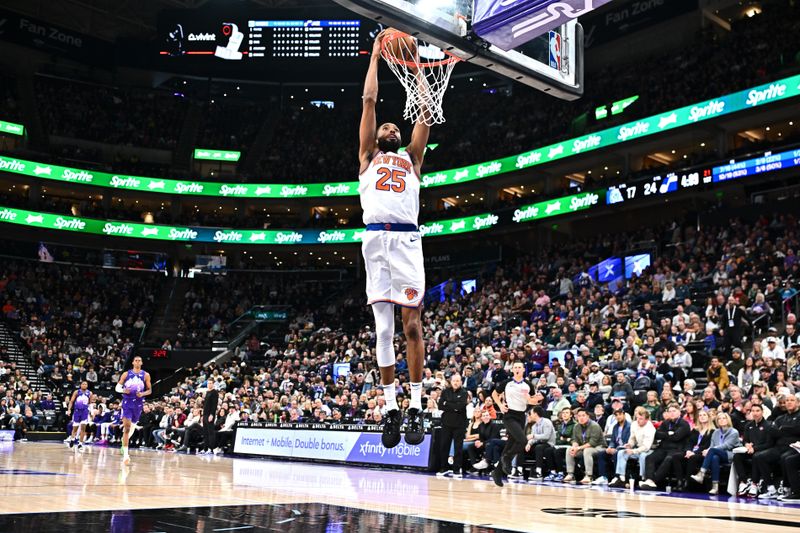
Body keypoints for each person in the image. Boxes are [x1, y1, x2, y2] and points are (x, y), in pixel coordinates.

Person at [359, 29, 430, 449]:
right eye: (383, 125)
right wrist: (374, 56)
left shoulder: (413, 158)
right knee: (383, 331)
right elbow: (369, 101)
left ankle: (417, 407)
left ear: (400, 137)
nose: (388, 125)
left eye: (393, 124)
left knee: (412, 326)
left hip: (405, 242)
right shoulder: (367, 157)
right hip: (374, 243)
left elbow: (424, 108)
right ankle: (390, 409)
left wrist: (418, 65)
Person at [491, 361, 542, 487]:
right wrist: (500, 405)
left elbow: (532, 401)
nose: (518, 369)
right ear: (512, 370)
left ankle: (497, 472)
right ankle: (507, 458)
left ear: (524, 370)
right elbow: (494, 394)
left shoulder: (528, 384)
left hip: (521, 416)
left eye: (520, 367)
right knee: (523, 441)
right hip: (509, 416)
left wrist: (538, 399)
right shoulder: (507, 383)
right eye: (515, 367)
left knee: (510, 444)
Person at [752, 393, 800, 498]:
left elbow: (797, 430)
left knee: (785, 458)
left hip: (794, 447)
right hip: (779, 447)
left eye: (792, 400)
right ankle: (771, 488)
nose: (789, 402)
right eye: (787, 400)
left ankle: (788, 489)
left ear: (798, 403)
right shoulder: (780, 418)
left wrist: (783, 429)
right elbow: (772, 431)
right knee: (759, 456)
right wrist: (787, 430)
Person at [639, 403, 691, 489]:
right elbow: (656, 434)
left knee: (669, 459)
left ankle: (654, 481)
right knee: (649, 457)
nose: (672, 413)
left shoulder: (684, 424)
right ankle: (649, 479)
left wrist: (667, 435)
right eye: (670, 411)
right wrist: (669, 433)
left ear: (679, 412)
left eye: (674, 411)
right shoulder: (666, 422)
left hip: (677, 449)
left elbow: (676, 437)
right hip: (663, 448)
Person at [690, 412, 741, 494]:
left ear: (728, 420)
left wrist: (710, 450)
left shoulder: (734, 432)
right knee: (714, 458)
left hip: (730, 455)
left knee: (712, 451)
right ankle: (715, 486)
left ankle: (701, 473)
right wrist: (708, 450)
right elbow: (712, 445)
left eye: (723, 418)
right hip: (717, 454)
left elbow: (726, 446)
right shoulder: (716, 432)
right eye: (719, 419)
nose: (721, 420)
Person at [116, 355, 152, 465]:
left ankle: (123, 443)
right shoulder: (126, 374)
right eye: (136, 360)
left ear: (141, 363)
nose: (137, 362)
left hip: (138, 403)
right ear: (132, 362)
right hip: (127, 402)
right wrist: (123, 390)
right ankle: (126, 455)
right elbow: (117, 387)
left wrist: (142, 393)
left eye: (139, 360)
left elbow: (149, 390)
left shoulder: (146, 375)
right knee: (127, 428)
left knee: (131, 428)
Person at [608, 407, 655, 488]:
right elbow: (632, 438)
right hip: (638, 449)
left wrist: (633, 451)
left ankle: (643, 478)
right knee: (622, 453)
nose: (638, 420)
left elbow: (646, 447)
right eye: (637, 418)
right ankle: (621, 477)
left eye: (641, 419)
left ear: (646, 420)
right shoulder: (634, 424)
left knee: (643, 456)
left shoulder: (650, 428)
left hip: (649, 450)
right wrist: (629, 445)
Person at [733, 404, 774, 496]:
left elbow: (769, 443)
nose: (755, 413)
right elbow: (745, 440)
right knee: (737, 456)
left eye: (757, 411)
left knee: (756, 456)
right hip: (750, 450)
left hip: (763, 451)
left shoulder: (768, 425)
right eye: (753, 411)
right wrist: (746, 444)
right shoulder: (748, 425)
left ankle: (754, 484)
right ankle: (743, 482)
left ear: (762, 412)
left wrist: (754, 448)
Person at [437, 373, 468, 479]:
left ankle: (456, 469)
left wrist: (447, 404)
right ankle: (443, 468)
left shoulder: (464, 393)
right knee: (444, 446)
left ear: (461, 382)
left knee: (458, 447)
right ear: (451, 382)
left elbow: (460, 407)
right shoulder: (445, 391)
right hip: (446, 423)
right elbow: (440, 405)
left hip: (459, 424)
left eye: (458, 381)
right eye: (454, 381)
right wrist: (453, 405)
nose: (455, 383)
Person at [564, 408, 605, 484]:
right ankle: (570, 474)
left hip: (599, 447)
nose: (581, 418)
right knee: (569, 449)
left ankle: (589, 475)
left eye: (583, 415)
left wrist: (578, 448)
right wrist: (574, 447)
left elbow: (592, 443)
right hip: (584, 447)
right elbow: (574, 440)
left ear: (588, 416)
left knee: (587, 451)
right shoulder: (576, 426)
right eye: (579, 416)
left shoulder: (594, 426)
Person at [593, 409, 630, 485]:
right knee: (601, 454)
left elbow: (628, 442)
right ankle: (604, 477)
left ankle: (617, 477)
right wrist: (610, 447)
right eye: (616, 415)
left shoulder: (630, 426)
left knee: (617, 453)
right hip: (615, 448)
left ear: (624, 415)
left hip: (625, 449)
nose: (618, 417)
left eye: (620, 414)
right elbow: (613, 440)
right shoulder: (615, 427)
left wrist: (616, 449)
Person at [525, 405, 556, 480]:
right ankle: (518, 470)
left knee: (539, 447)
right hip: (540, 443)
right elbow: (534, 439)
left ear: (535, 414)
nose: (530, 415)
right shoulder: (534, 426)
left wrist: (533, 436)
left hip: (549, 443)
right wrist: (529, 443)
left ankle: (539, 472)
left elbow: (546, 436)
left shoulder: (547, 422)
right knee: (523, 446)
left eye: (531, 413)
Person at [65, 381, 92, 451]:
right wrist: (69, 410)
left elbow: (90, 403)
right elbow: (71, 401)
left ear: (87, 385)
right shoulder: (77, 392)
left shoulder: (90, 393)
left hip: (85, 411)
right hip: (77, 411)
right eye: (83, 384)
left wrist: (91, 412)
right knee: (75, 428)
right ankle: (72, 439)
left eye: (86, 384)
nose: (84, 385)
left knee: (83, 428)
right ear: (80, 385)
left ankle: (80, 443)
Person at [202, 380, 219, 454]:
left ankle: (211, 448)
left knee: (210, 432)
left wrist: (212, 414)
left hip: (210, 414)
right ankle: (205, 448)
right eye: (208, 383)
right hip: (205, 414)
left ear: (213, 384)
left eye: (211, 383)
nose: (209, 384)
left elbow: (214, 405)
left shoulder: (214, 392)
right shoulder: (207, 392)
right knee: (205, 432)